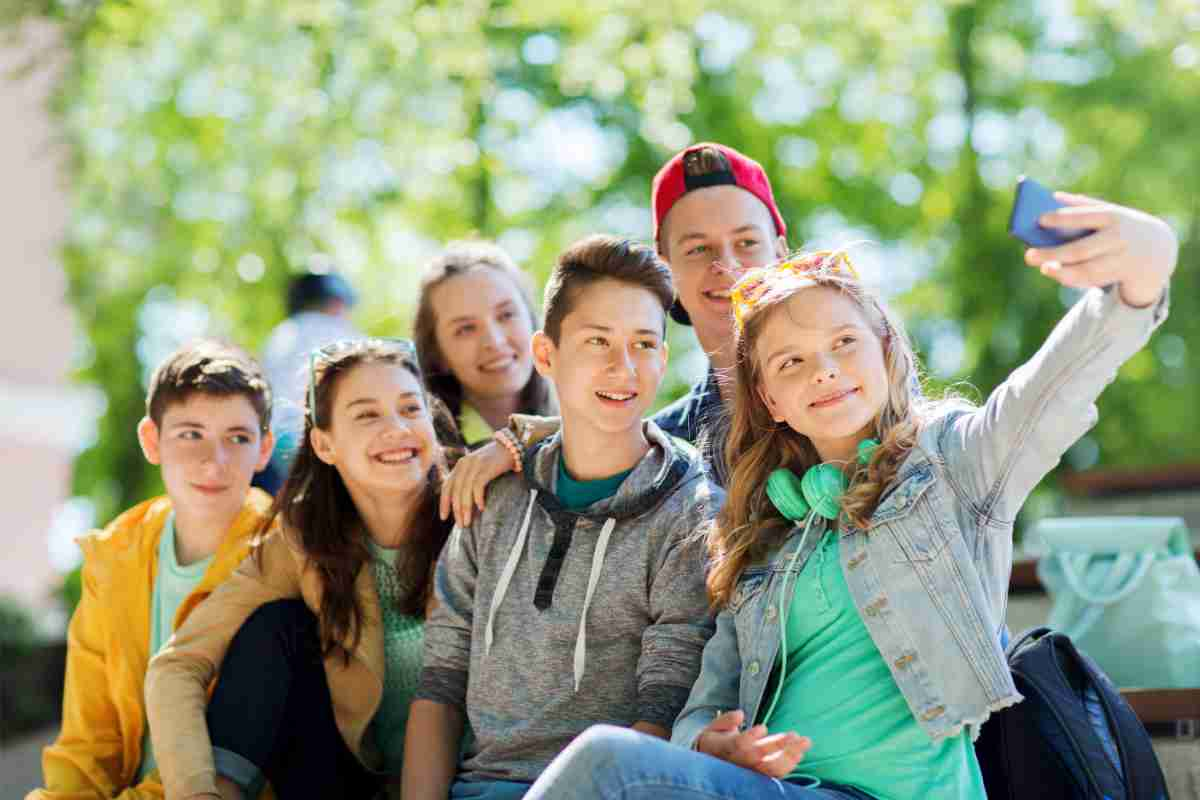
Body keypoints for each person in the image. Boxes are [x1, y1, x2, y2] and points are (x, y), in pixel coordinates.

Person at [520, 193, 1177, 800]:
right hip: (780, 792)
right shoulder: (759, 532)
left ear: (886, 351)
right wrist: (708, 741)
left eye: (842, 344)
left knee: (607, 764)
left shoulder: (952, 467)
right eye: (791, 362)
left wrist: (1136, 284)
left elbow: (1047, 394)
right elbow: (706, 701)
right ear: (770, 400)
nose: (825, 370)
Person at [403, 235, 723, 800]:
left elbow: (663, 703)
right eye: (597, 341)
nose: (623, 367)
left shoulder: (690, 508)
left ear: (664, 358)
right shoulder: (492, 493)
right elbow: (441, 683)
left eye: (643, 343)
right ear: (546, 355)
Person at [145, 339, 454, 800]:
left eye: (411, 409)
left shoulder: (481, 503)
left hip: (477, 776)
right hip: (352, 781)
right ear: (325, 444)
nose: (397, 428)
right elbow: (177, 665)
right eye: (367, 414)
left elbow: (574, 443)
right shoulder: (300, 542)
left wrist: (511, 442)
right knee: (276, 627)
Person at [439, 142, 788, 524]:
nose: (726, 265)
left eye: (747, 243)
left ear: (781, 253)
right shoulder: (666, 452)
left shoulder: (843, 394)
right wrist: (521, 443)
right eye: (698, 248)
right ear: (665, 269)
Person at [29, 340, 275, 800]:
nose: (213, 461)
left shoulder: (281, 554)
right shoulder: (114, 557)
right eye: (190, 433)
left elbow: (236, 752)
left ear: (264, 449)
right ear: (151, 440)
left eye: (237, 438)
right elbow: (87, 741)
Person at [413, 240, 556, 451]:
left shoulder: (588, 414)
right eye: (466, 329)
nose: (494, 341)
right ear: (438, 355)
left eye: (506, 315)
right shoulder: (428, 454)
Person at [256, 269, 362, 494]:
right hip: (325, 448)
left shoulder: (280, 336)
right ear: (336, 302)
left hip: (273, 452)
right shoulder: (344, 334)